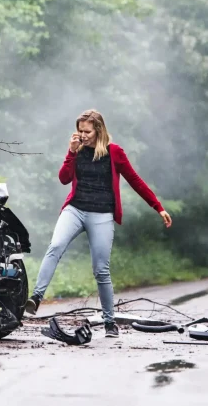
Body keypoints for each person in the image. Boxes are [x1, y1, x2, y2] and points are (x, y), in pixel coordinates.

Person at [24, 109, 173, 337]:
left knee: (101, 270)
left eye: (87, 131)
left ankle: (109, 322)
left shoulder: (114, 153)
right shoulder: (77, 150)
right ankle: (35, 298)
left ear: (98, 130)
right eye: (79, 130)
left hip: (101, 215)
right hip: (75, 209)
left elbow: (134, 180)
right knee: (55, 246)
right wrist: (71, 153)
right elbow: (64, 179)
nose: (82, 135)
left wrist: (158, 207)